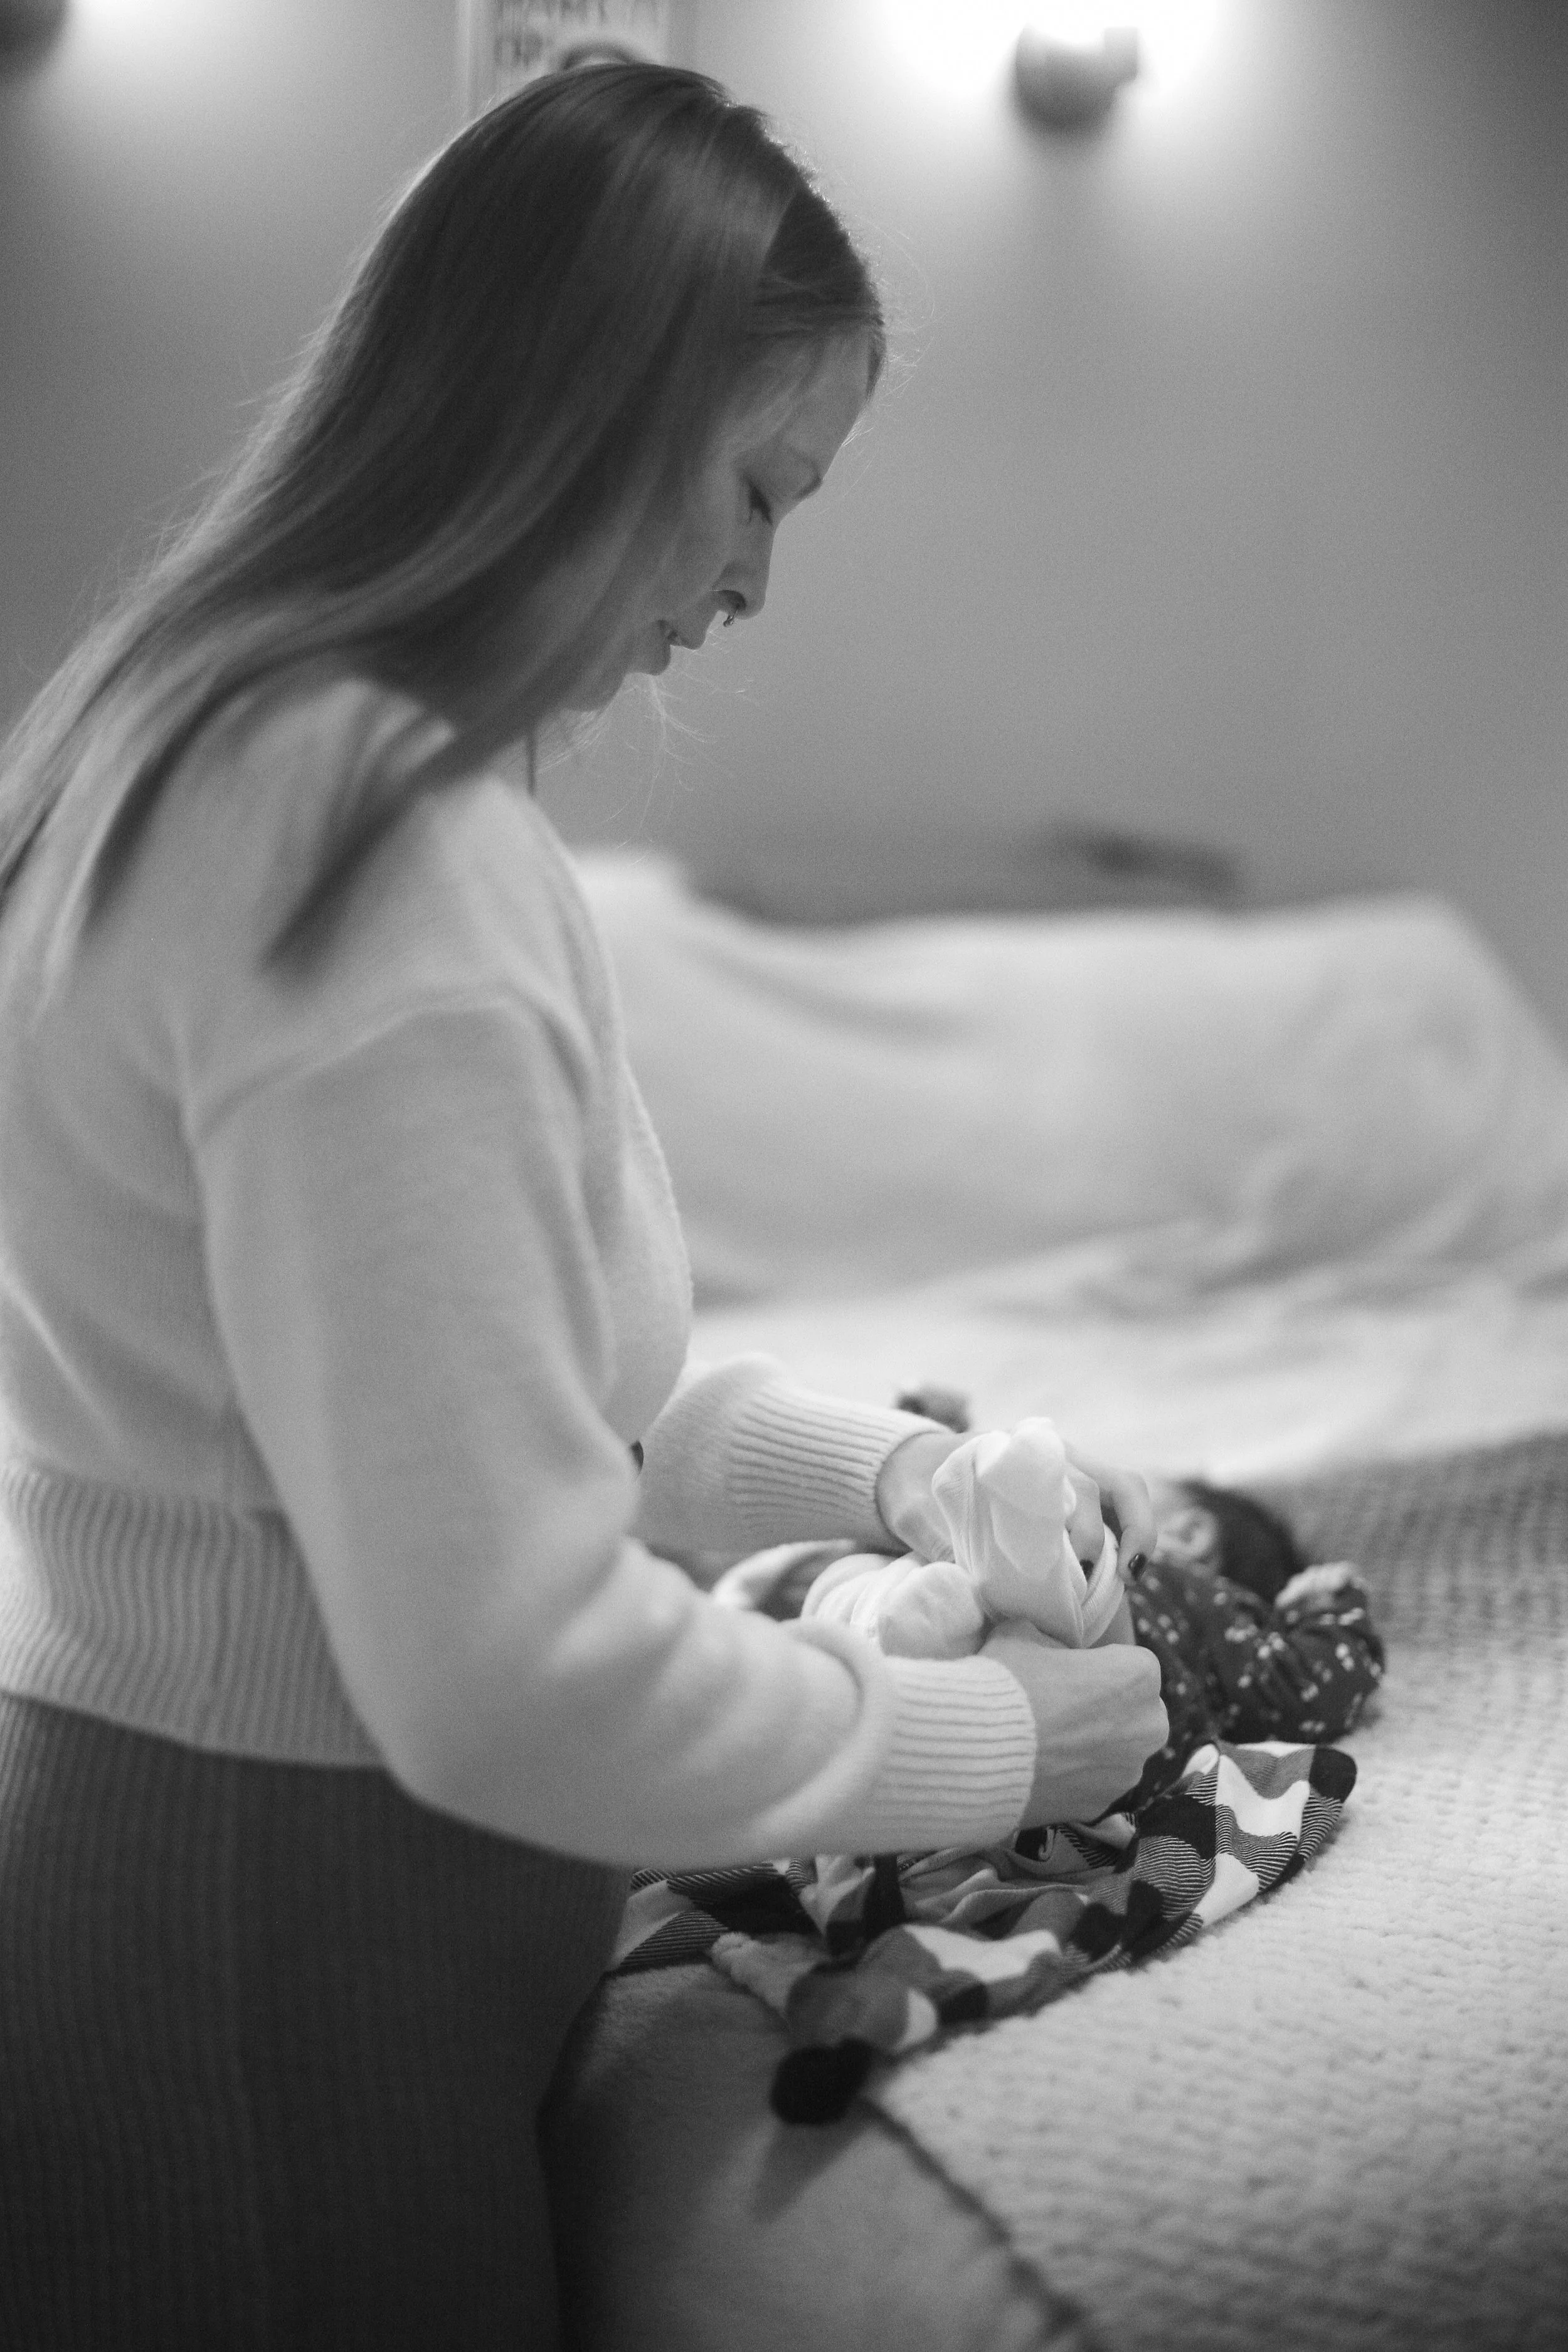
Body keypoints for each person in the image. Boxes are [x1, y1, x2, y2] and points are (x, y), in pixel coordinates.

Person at [0, 63, 1167, 2352]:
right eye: (754, 489)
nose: (748, 585)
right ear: (588, 403)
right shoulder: (369, 862)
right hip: (285, 1948)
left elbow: (500, 1434)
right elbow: (506, 1664)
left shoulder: (231, 746)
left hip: (236, 1868)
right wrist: (998, 1749)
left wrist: (901, 1470)